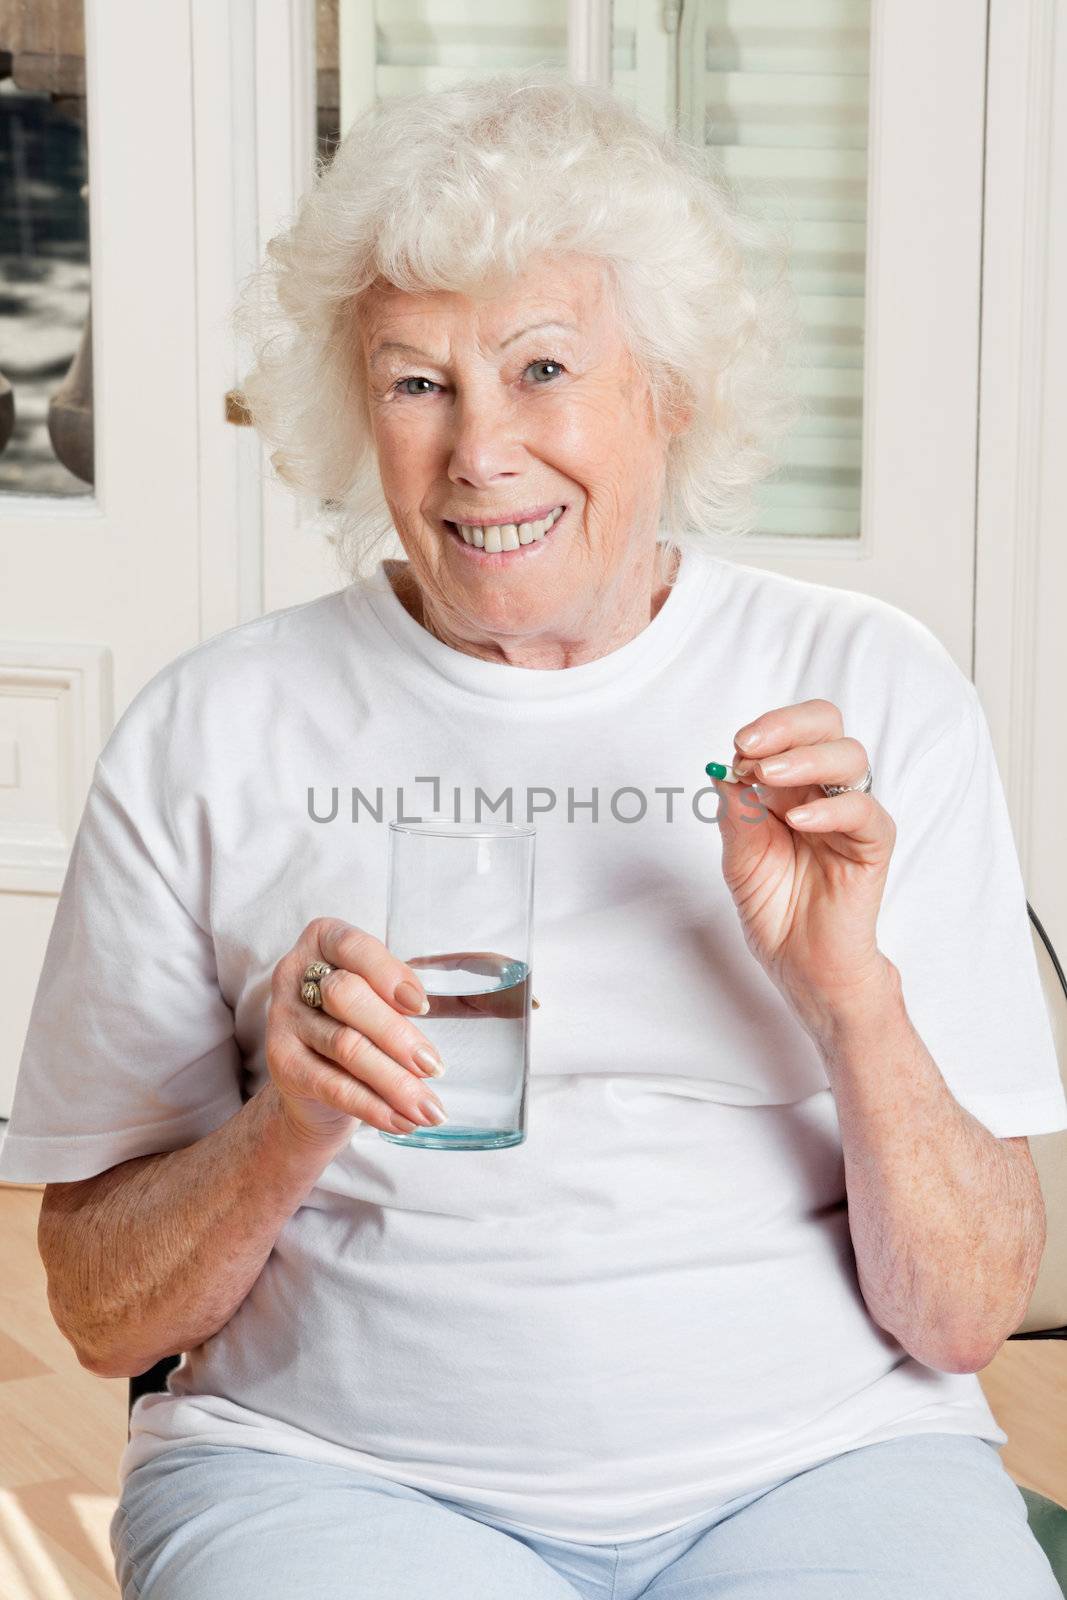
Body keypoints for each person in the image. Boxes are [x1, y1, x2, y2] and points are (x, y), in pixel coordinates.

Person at [1, 67, 1064, 1600]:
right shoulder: (211, 733)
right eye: (414, 381)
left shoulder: (866, 694)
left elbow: (968, 1316)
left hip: (829, 1466)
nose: (480, 451)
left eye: (544, 367)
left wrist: (852, 999)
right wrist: (285, 1123)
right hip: (334, 1485)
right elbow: (103, 1315)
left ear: (670, 390)